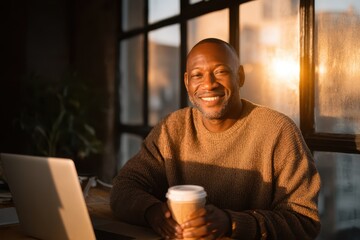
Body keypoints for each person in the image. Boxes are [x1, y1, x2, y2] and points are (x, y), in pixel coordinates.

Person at [110, 38, 321, 239]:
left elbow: (304, 220)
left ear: (240, 76)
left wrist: (232, 223)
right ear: (186, 82)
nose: (209, 84)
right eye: (197, 75)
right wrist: (152, 212)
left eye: (220, 72)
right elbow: (124, 186)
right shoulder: (172, 127)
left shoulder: (278, 130)